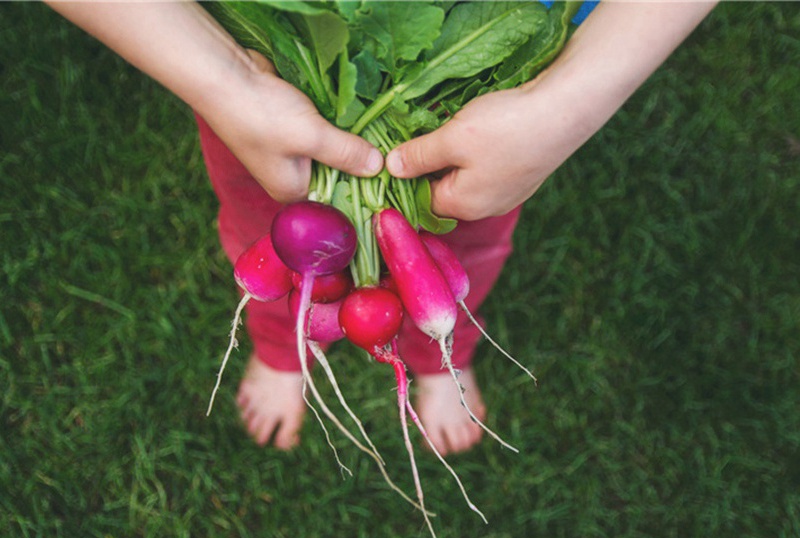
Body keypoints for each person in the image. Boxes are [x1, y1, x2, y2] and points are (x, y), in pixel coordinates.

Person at [45, 1, 717, 455]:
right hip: (274, 88)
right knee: (272, 236)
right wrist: (226, 82)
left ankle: (439, 358)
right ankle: (283, 345)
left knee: (463, 250)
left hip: (484, 102)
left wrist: (572, 101)